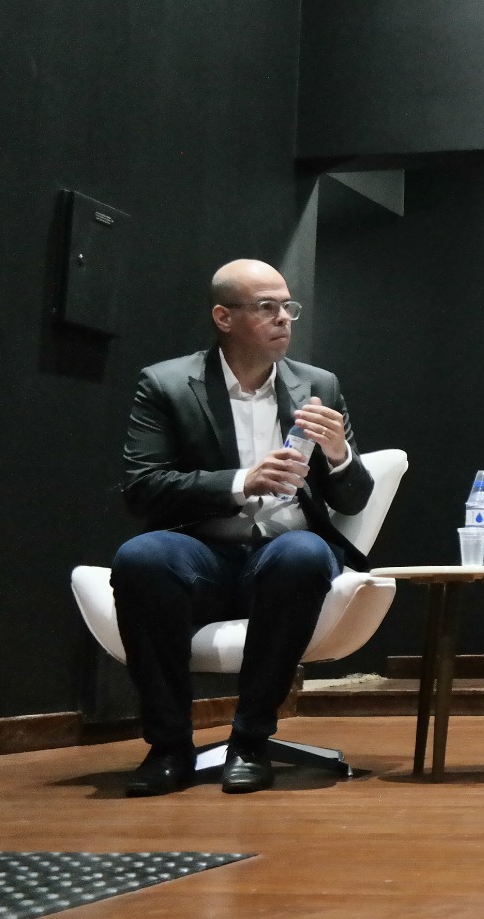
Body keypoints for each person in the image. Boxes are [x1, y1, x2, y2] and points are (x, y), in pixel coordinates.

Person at [111, 259, 374, 797]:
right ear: (223, 317)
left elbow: (354, 499)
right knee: (140, 558)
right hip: (201, 550)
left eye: (288, 306)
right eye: (266, 307)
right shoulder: (166, 384)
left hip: (284, 549)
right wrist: (241, 481)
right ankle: (168, 747)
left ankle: (251, 741)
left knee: (302, 554)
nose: (284, 318)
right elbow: (143, 487)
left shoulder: (318, 385)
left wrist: (339, 453)